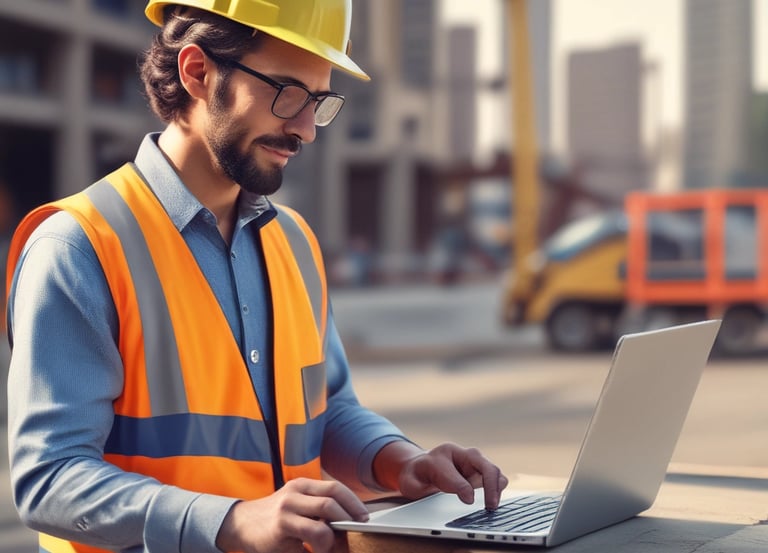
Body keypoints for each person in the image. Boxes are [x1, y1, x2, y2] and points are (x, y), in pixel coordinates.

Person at [5, 2, 508, 552]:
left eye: (318, 102)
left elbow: (328, 410)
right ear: (197, 71)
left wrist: (402, 462)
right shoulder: (79, 247)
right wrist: (232, 522)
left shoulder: (295, 242)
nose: (305, 129)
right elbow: (50, 479)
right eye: (287, 93)